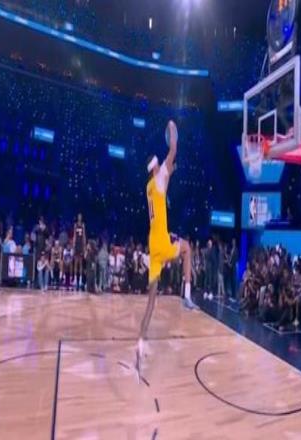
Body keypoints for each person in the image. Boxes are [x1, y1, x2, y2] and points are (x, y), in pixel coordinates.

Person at [137, 120, 198, 376]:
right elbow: (173, 151)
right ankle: (187, 295)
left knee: (151, 301)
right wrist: (173, 129)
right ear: (156, 168)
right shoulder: (160, 179)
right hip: (162, 243)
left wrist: (169, 169)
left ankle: (141, 341)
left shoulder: (149, 188)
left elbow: (168, 171)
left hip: (153, 247)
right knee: (188, 248)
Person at [72, 213, 86, 288]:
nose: (79, 217)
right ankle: (75, 279)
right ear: (77, 217)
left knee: (80, 263)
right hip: (76, 245)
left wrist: (84, 246)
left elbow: (84, 236)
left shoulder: (83, 225)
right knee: (76, 263)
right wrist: (73, 246)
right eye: (78, 216)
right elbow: (74, 235)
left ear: (81, 218)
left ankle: (80, 280)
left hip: (81, 245)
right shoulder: (75, 225)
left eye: (80, 216)